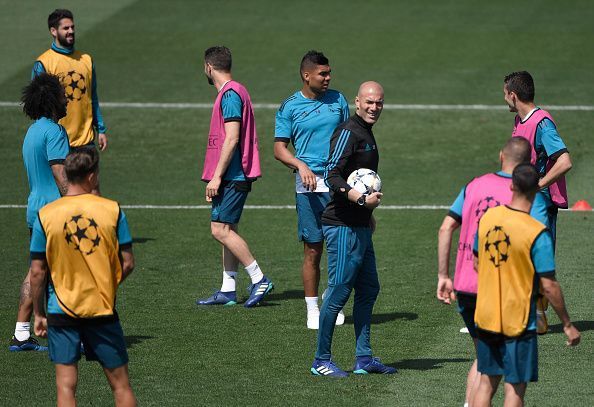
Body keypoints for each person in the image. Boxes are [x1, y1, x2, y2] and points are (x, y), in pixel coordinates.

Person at [436, 137, 546, 406]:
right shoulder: (528, 194)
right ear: (528, 164)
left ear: (501, 156)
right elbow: (538, 239)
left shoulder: (475, 185)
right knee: (504, 375)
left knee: (484, 360)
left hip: (465, 286)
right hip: (501, 290)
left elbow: (445, 227)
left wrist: (443, 275)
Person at [29, 148, 136, 406]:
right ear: (91, 176)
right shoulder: (112, 210)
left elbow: (37, 271)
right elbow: (128, 263)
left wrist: (38, 313)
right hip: (101, 307)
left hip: (61, 309)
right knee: (120, 386)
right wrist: (109, 285)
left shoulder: (46, 215)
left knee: (66, 387)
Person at [472, 164, 580, 407]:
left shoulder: (489, 218)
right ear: (537, 190)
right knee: (515, 389)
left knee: (487, 383)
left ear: (511, 185)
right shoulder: (536, 232)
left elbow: (478, 261)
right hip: (517, 322)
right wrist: (567, 324)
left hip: (486, 315)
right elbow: (549, 285)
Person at [311, 81, 396, 377]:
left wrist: (367, 213)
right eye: (369, 102)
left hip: (360, 224)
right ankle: (321, 360)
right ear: (357, 102)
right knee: (337, 292)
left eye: (380, 103)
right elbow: (331, 174)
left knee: (369, 288)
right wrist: (360, 198)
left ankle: (364, 359)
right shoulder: (349, 131)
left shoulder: (366, 132)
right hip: (343, 225)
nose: (374, 107)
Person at [274, 50, 350, 329]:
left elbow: (347, 138)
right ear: (307, 76)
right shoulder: (289, 107)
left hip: (337, 182)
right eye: (323, 74)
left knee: (339, 247)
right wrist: (301, 166)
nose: (328, 78)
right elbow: (279, 149)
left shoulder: (339, 100)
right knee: (313, 249)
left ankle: (333, 301)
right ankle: (312, 310)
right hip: (307, 186)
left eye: (329, 73)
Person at [196, 46, 273, 308]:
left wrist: (216, 177)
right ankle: (228, 289)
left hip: (232, 175)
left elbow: (232, 138)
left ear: (208, 67)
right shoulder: (236, 91)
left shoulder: (229, 95)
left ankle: (259, 278)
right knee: (229, 228)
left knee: (220, 230)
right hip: (234, 174)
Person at [504, 70, 573, 333]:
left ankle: (537, 315)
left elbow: (564, 161)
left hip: (540, 201)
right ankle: (534, 316)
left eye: (505, 95)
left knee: (535, 259)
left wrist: (539, 185)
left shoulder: (542, 123)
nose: (505, 100)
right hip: (525, 199)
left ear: (513, 94)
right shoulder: (521, 121)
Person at [9, 73, 70, 352]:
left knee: (37, 270)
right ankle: (68, 334)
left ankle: (21, 333)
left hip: (34, 207)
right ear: (53, 100)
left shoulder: (33, 131)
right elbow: (60, 173)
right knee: (66, 272)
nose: (67, 98)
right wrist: (78, 203)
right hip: (54, 210)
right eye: (62, 94)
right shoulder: (55, 132)